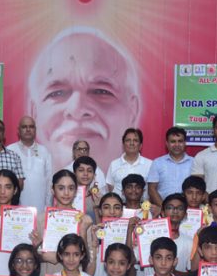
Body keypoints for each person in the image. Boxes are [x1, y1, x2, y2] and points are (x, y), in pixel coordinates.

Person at [28, 26, 141, 173]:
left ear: (132, 110)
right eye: (57, 93)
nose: (77, 109)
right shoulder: (23, 169)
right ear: (34, 113)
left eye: (101, 91)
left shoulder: (145, 172)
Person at [7, 116, 52, 213]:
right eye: (24, 127)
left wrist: (48, 206)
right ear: (18, 130)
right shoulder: (10, 150)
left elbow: (49, 181)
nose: (28, 129)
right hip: (15, 209)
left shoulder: (44, 151)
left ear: (35, 130)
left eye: (31, 127)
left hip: (40, 209)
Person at [147, 127, 194, 206]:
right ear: (167, 144)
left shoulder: (194, 162)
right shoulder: (157, 163)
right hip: (162, 210)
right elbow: (152, 189)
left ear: (185, 143)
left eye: (180, 141)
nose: (177, 145)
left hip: (187, 210)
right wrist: (165, 209)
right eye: (173, 141)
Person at [105, 128, 151, 199]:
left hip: (143, 208)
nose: (131, 143)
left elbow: (152, 189)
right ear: (123, 144)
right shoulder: (114, 164)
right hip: (119, 207)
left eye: (135, 140)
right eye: (128, 140)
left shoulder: (150, 165)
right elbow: (111, 187)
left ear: (140, 145)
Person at [73, 156, 104, 220]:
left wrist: (98, 206)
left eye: (89, 171)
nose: (85, 174)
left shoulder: (99, 197)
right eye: (81, 170)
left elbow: (102, 225)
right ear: (74, 174)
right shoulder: (67, 195)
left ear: (94, 175)